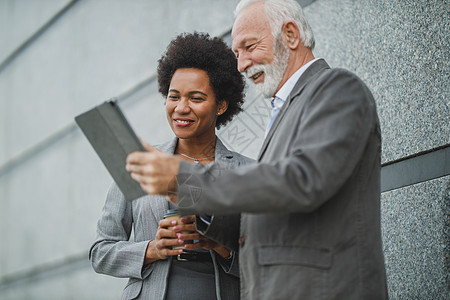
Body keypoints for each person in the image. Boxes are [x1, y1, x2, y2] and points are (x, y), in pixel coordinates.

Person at [126, 0, 389, 299]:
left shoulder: (337, 88)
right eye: (237, 53)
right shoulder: (287, 107)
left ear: (290, 35)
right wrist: (204, 219)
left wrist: (182, 178)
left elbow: (301, 180)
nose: (241, 64)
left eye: (249, 47)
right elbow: (272, 209)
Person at [90, 32, 253, 300]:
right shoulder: (140, 163)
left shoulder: (248, 173)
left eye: (196, 98)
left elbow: (269, 261)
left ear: (221, 105)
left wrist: (222, 247)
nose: (181, 108)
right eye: (174, 96)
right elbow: (100, 252)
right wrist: (152, 249)